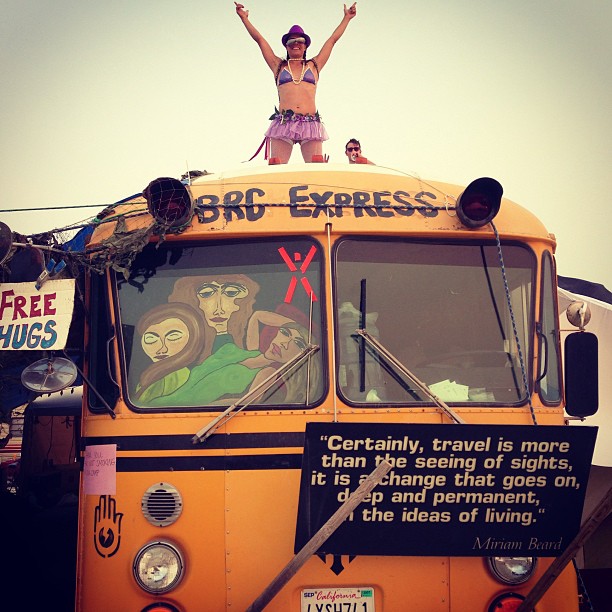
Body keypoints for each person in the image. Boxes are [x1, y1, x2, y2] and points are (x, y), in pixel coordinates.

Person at [235, 2, 357, 164]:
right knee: (276, 167)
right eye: (291, 41)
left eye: (300, 40)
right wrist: (244, 19)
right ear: (286, 46)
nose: (296, 43)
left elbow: (332, 40)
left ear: (305, 46)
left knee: (315, 169)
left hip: (310, 124)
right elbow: (260, 40)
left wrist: (347, 18)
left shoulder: (314, 65)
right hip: (283, 124)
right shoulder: (278, 66)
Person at [133, 303, 206, 404]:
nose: (162, 349)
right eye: (151, 339)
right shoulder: (154, 374)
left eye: (173, 337)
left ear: (193, 338)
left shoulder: (171, 377)